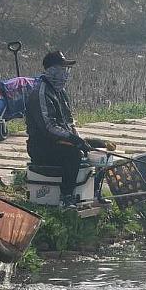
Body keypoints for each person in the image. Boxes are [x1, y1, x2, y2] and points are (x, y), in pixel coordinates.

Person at [25, 50, 101, 208]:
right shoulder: (40, 92)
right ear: (51, 70)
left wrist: (80, 140)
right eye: (62, 68)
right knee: (72, 153)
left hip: (61, 141)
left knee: (100, 147)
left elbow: (69, 121)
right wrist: (74, 141)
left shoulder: (61, 92)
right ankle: (66, 197)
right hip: (42, 146)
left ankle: (94, 192)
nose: (65, 73)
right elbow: (49, 127)